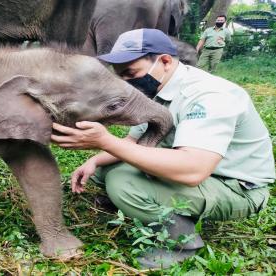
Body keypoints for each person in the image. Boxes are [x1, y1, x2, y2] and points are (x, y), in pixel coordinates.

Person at [51, 28, 275, 269]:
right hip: (196, 170)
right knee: (104, 170)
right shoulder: (156, 89)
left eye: (130, 73)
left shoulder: (209, 95)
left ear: (165, 61)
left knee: (123, 182)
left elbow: (193, 171)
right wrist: (93, 161)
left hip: (235, 185)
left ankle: (183, 243)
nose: (126, 82)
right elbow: (132, 142)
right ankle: (143, 204)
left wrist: (105, 141)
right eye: (120, 76)